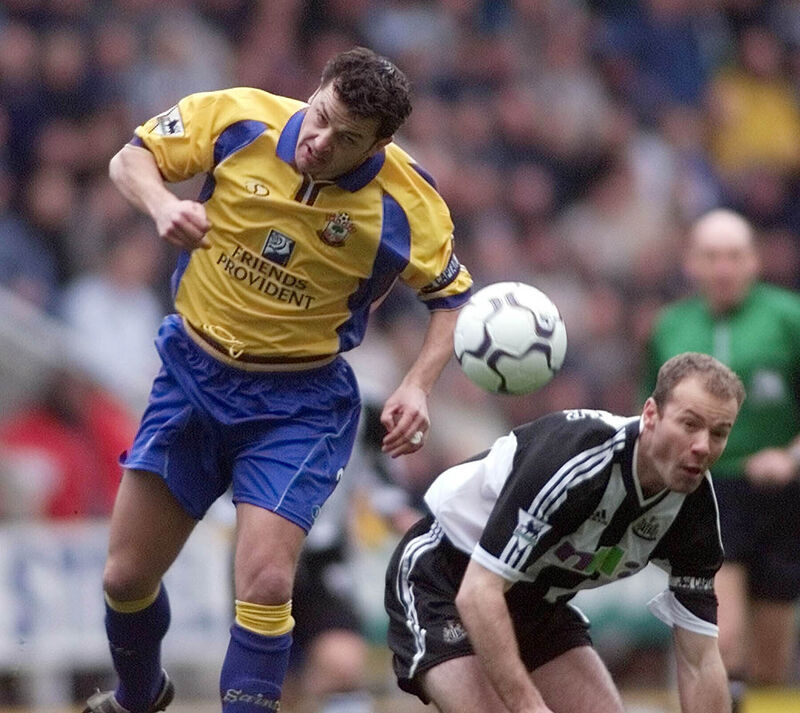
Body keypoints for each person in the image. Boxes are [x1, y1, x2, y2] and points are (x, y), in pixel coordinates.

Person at [84, 46, 472, 713]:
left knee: (264, 581)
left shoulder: (408, 203)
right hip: (192, 376)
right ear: (315, 91)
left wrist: (417, 383)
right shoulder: (239, 119)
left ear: (379, 144)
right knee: (125, 576)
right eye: (321, 118)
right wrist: (158, 204)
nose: (320, 142)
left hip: (297, 403)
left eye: (347, 139)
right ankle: (139, 696)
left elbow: (454, 298)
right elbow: (130, 157)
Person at [385, 352, 745, 713]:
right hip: (445, 577)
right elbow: (478, 595)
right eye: (689, 425)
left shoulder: (694, 510)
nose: (703, 446)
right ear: (650, 415)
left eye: (719, 433)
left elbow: (700, 661)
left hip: (535, 602)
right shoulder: (577, 458)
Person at [640, 209, 800, 709]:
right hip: (709, 494)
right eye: (711, 256)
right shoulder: (670, 326)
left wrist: (791, 456)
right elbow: (652, 414)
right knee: (723, 640)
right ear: (691, 263)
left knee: (771, 662)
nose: (723, 268)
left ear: (753, 261)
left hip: (782, 498)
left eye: (734, 256)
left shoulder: (789, 317)